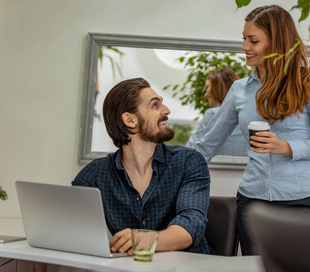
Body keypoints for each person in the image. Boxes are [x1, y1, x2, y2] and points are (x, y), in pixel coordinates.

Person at [193, 5, 310, 255]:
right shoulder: (240, 90)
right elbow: (207, 144)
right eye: (244, 38)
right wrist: (162, 167)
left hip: (303, 201)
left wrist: (285, 147)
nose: (244, 47)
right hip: (253, 202)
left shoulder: (309, 82)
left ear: (277, 43)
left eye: (253, 40)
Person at [72, 78, 213, 255]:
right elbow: (70, 227)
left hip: (190, 266)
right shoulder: (94, 175)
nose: (167, 110)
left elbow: (190, 226)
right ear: (130, 120)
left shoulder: (188, 162)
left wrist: (141, 240)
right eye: (155, 105)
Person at [186, 68, 249, 157]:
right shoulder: (248, 114)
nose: (205, 95)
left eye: (207, 87)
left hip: (218, 169)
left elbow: (191, 148)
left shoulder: (212, 114)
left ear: (218, 88)